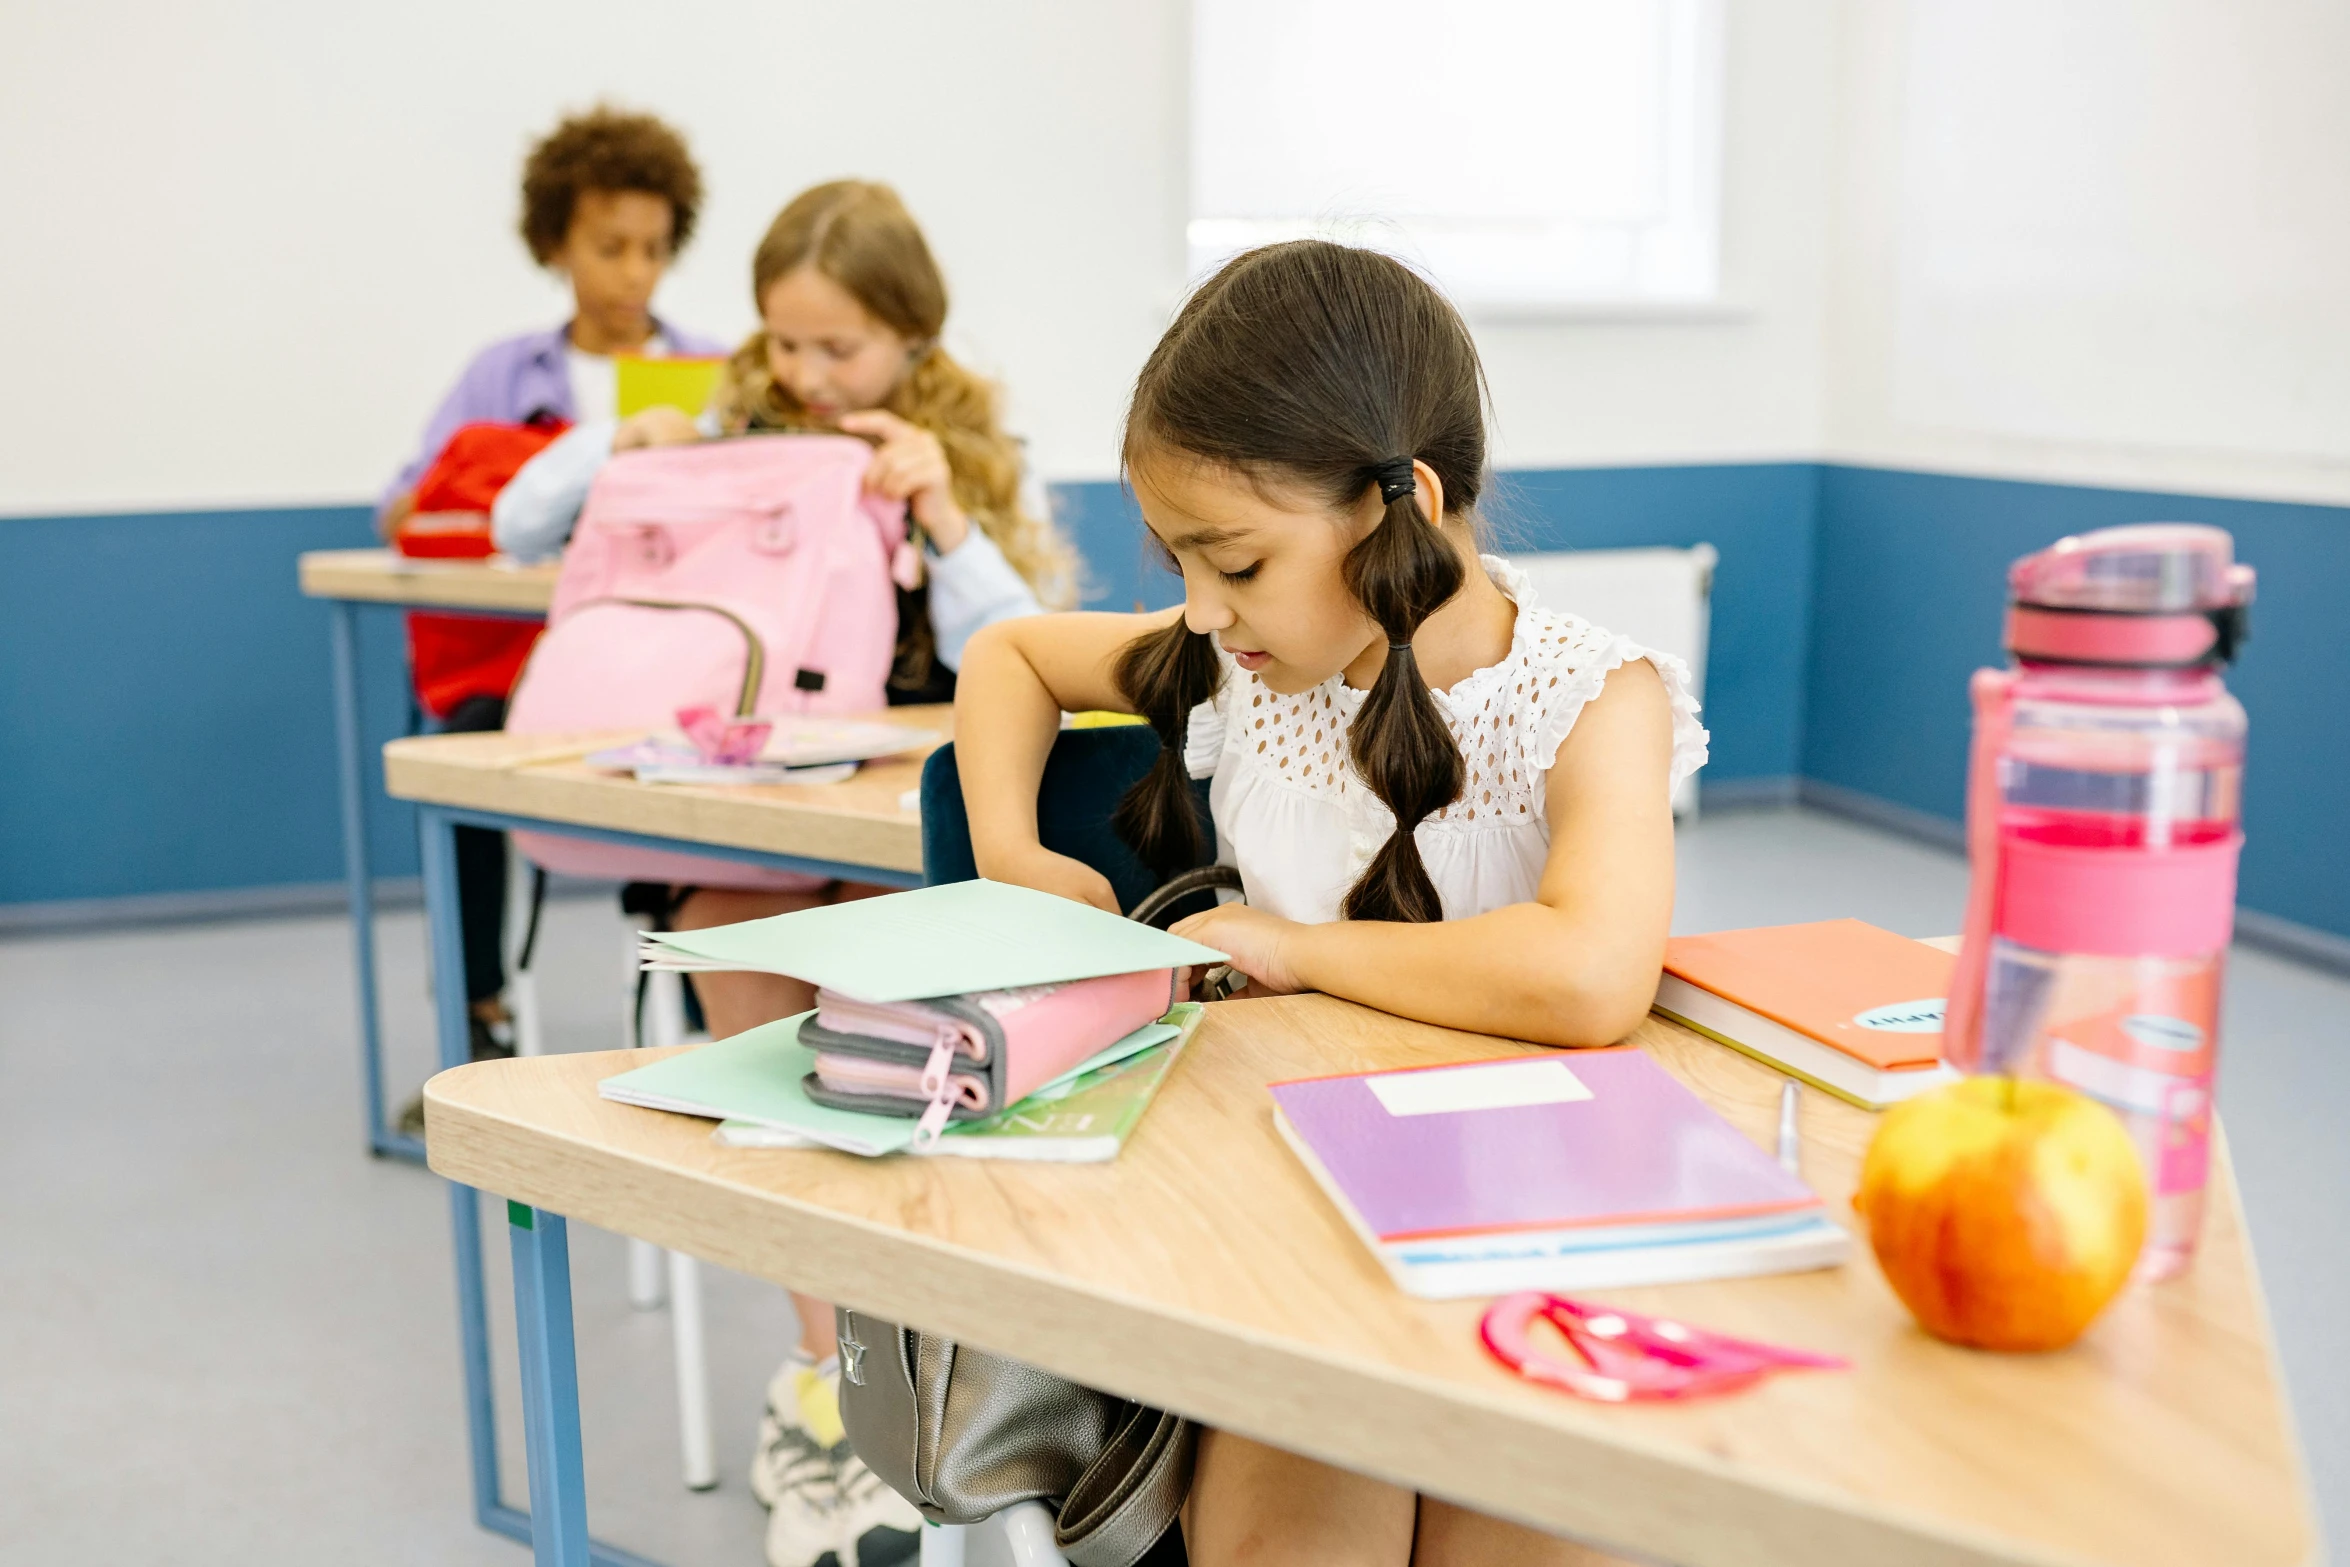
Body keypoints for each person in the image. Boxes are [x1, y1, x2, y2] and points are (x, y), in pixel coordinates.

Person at [951, 240, 1708, 1566]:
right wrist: (1013, 848)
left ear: (1399, 501)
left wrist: (1290, 946)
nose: (1198, 609)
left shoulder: (1595, 694)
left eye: (1233, 561)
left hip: (1531, 1244)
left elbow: (1589, 974)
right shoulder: (1251, 667)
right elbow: (1007, 650)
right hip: (1284, 1230)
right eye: (1181, 559)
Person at [493, 178, 1071, 1567]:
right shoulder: (719, 421)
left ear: (913, 343)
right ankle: (838, 1379)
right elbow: (521, 525)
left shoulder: (970, 452)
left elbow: (1040, 645)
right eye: (787, 343)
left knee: (890, 1001)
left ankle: (925, 1360)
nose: (806, 378)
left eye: (841, 350)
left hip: (896, 840)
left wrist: (942, 516)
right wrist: (620, 446)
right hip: (737, 828)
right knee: (746, 963)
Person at [379, 107, 723, 1131]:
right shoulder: (502, 375)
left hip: (662, 669)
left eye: (654, 249)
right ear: (554, 245)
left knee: (712, 759)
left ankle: (716, 1014)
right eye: (607, 247)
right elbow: (405, 506)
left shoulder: (712, 369)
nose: (633, 273)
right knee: (462, 752)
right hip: (521, 668)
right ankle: (477, 1022)